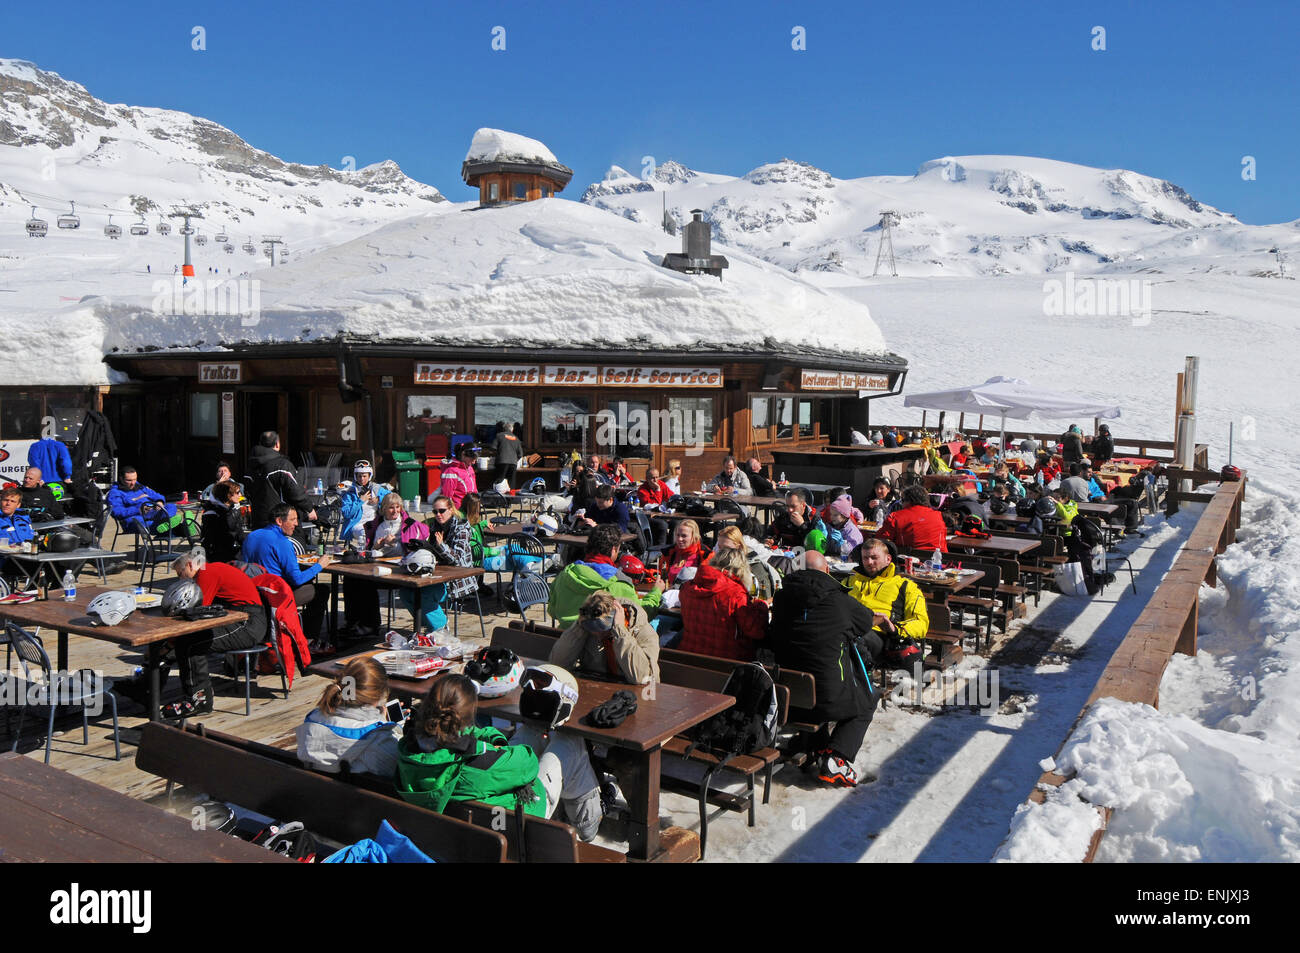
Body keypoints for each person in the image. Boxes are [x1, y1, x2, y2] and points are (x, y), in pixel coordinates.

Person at [395, 673, 602, 841]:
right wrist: (490, 748)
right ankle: (587, 828)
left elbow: (474, 739)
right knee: (568, 742)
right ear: (467, 719)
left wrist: (489, 743)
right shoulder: (478, 763)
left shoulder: (408, 750)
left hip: (469, 831)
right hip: (520, 821)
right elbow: (527, 763)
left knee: (531, 732)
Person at [769, 551, 879, 787]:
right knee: (869, 697)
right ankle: (837, 756)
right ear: (827, 571)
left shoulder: (781, 597)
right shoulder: (839, 600)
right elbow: (865, 623)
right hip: (827, 700)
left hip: (787, 696)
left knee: (810, 675)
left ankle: (817, 746)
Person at [155, 547, 269, 719]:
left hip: (248, 624)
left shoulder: (207, 574)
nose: (180, 578)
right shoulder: (210, 570)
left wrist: (170, 641)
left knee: (190, 644)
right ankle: (149, 691)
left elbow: (196, 611)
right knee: (175, 644)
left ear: (190, 565)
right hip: (240, 618)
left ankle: (199, 700)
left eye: (181, 573)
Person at [241, 503, 334, 644]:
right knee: (322, 590)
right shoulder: (282, 542)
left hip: (255, 593)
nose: (296, 524)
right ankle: (308, 640)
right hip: (277, 596)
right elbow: (296, 579)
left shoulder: (252, 536)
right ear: (279, 521)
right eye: (292, 519)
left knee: (309, 584)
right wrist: (319, 566)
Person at [297, 656, 403, 777]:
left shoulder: (312, 720)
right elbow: (400, 772)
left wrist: (380, 722)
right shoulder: (380, 739)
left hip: (318, 794)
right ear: (380, 695)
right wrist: (385, 726)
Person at [346, 494, 429, 639]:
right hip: (381, 566)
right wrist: (378, 545)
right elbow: (371, 551)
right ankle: (353, 623)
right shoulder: (376, 525)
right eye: (391, 507)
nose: (395, 511)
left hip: (402, 570)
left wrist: (395, 544)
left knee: (367, 582)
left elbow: (416, 547)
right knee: (351, 579)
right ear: (384, 509)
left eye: (398, 507)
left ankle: (370, 626)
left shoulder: (410, 524)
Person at [548, 524, 663, 627]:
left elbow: (552, 611)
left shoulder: (564, 576)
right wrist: (656, 592)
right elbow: (642, 613)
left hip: (567, 640)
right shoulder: (618, 583)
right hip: (600, 646)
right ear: (614, 550)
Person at [842, 539, 930, 666]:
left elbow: (921, 622)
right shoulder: (848, 582)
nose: (869, 562)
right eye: (865, 558)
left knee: (855, 640)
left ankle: (863, 682)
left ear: (888, 559)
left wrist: (895, 628)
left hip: (881, 637)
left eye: (874, 557)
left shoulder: (905, 586)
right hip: (847, 630)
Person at [678, 548, 769, 661]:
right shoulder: (736, 593)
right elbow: (756, 631)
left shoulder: (687, 588)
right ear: (741, 569)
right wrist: (762, 606)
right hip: (726, 662)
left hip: (689, 656)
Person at [550, 591, 660, 684]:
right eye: (591, 627)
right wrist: (579, 627)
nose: (597, 633)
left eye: (602, 627)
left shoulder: (643, 632)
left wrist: (620, 631)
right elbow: (557, 665)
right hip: (596, 689)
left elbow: (642, 678)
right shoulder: (585, 629)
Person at [410, 494, 477, 633]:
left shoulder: (462, 527)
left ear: (451, 510)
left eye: (442, 511)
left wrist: (441, 546)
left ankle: (440, 627)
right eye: (435, 512)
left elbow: (458, 559)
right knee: (406, 592)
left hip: (458, 579)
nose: (438, 515)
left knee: (422, 594)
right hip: (436, 573)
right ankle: (430, 623)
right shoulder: (434, 526)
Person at [247, 431, 316, 529]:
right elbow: (295, 490)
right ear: (277, 444)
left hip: (257, 520)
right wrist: (309, 508)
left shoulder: (251, 466)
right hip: (280, 520)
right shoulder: (282, 465)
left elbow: (248, 491)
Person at [106, 466, 197, 538]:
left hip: (152, 513)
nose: (133, 483)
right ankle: (183, 528)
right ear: (121, 479)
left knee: (171, 507)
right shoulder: (115, 493)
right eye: (129, 480)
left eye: (135, 479)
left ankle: (168, 524)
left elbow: (157, 495)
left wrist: (160, 501)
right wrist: (138, 509)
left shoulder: (139, 486)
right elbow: (116, 512)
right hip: (133, 519)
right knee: (147, 524)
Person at [878, 484, 949, 554]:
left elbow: (881, 540)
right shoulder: (939, 516)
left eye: (902, 500)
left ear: (908, 501)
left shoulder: (895, 517)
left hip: (908, 561)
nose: (901, 504)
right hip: (941, 561)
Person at [339, 459, 390, 544]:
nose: (362, 479)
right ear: (355, 476)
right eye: (359, 476)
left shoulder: (376, 489)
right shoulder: (349, 492)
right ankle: (363, 553)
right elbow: (346, 514)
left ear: (369, 476)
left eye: (364, 476)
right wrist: (360, 501)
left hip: (375, 522)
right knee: (365, 534)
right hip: (356, 525)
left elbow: (391, 497)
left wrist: (379, 499)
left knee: (389, 532)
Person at [200, 480, 245, 563]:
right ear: (228, 495)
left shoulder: (232, 509)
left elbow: (239, 534)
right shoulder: (213, 514)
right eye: (238, 492)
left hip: (233, 551)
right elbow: (212, 541)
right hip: (222, 556)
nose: (240, 495)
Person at [662, 519, 708, 586]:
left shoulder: (705, 555)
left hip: (694, 594)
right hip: (671, 592)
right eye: (678, 535)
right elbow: (660, 575)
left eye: (684, 536)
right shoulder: (669, 552)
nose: (680, 539)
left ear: (694, 536)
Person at [438, 444, 480, 511]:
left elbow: (474, 489)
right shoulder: (451, 471)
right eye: (472, 459)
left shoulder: (470, 468)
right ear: (463, 455)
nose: (474, 462)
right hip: (458, 509)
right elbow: (446, 495)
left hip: (470, 508)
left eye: (475, 460)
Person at [490, 421, 523, 490]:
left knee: (499, 481)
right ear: (512, 430)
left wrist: (496, 456)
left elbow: (493, 448)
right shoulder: (516, 438)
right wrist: (514, 459)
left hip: (502, 462)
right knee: (511, 482)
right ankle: (511, 498)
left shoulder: (499, 435)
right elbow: (520, 454)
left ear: (503, 429)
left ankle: (497, 497)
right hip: (513, 463)